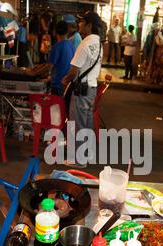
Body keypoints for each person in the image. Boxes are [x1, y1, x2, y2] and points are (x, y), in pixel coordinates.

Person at [62, 11, 103, 166]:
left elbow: (74, 70)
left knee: (78, 123)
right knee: (85, 123)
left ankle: (79, 160)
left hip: (81, 89)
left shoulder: (84, 44)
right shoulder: (98, 43)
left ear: (89, 25)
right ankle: (85, 155)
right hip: (91, 88)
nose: (78, 24)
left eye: (81, 22)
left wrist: (65, 80)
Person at [48, 21, 75, 96]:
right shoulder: (71, 45)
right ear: (67, 32)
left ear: (55, 32)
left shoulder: (57, 46)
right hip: (67, 84)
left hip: (57, 85)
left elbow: (49, 67)